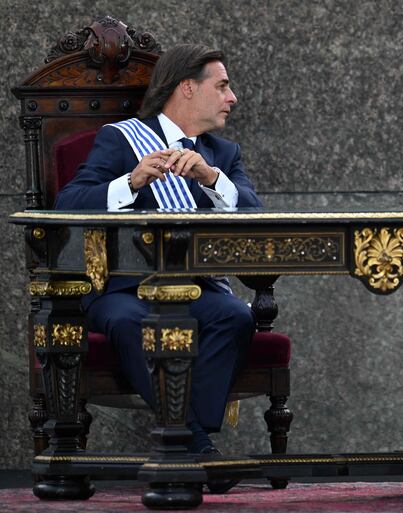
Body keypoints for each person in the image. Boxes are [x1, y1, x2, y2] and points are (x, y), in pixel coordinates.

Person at [55, 44, 261, 493]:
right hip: (122, 292)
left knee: (236, 316)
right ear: (187, 87)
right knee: (134, 323)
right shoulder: (122, 139)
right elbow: (68, 204)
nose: (233, 98)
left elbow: (254, 215)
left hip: (194, 290)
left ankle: (189, 440)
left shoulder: (223, 154)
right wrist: (130, 182)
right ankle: (200, 447)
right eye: (222, 86)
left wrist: (211, 179)